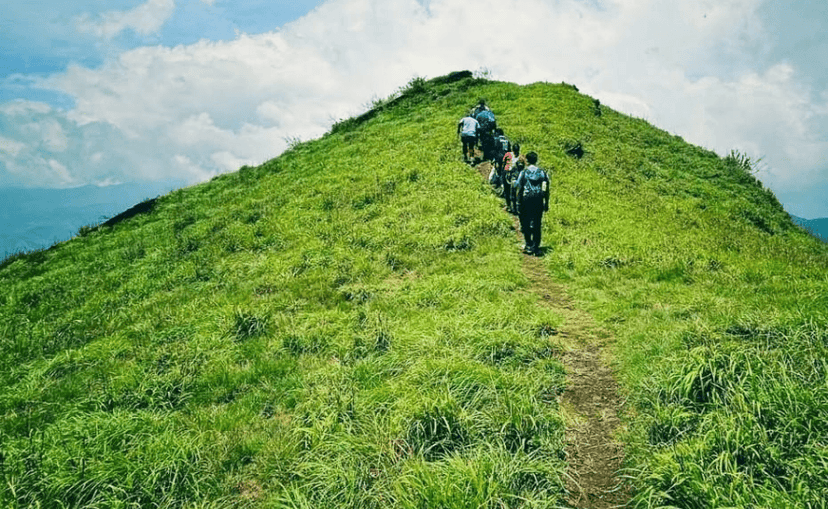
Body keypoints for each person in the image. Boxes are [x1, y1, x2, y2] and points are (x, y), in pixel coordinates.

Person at [515, 151, 550, 255]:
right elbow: (546, 189)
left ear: (527, 161)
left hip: (526, 199)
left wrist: (518, 202)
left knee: (525, 222)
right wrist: (546, 202)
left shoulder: (524, 173)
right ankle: (536, 247)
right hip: (538, 199)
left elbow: (519, 188)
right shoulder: (542, 173)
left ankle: (528, 245)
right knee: (537, 223)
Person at [502, 143, 522, 214]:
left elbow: (503, 163)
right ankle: (514, 207)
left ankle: (509, 206)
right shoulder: (520, 157)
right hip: (516, 176)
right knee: (514, 192)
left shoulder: (508, 154)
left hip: (507, 173)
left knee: (507, 190)